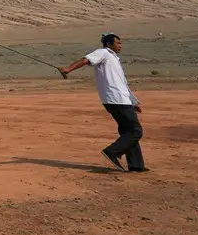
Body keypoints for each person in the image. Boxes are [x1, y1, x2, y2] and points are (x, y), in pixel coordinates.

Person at [59, 33, 147, 173]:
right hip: (115, 99)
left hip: (121, 99)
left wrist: (132, 102)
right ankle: (112, 152)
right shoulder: (103, 53)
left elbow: (120, 83)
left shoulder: (113, 58)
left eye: (120, 43)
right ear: (108, 44)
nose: (120, 46)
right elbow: (86, 60)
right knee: (135, 131)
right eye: (117, 43)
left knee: (127, 131)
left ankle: (136, 165)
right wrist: (68, 69)